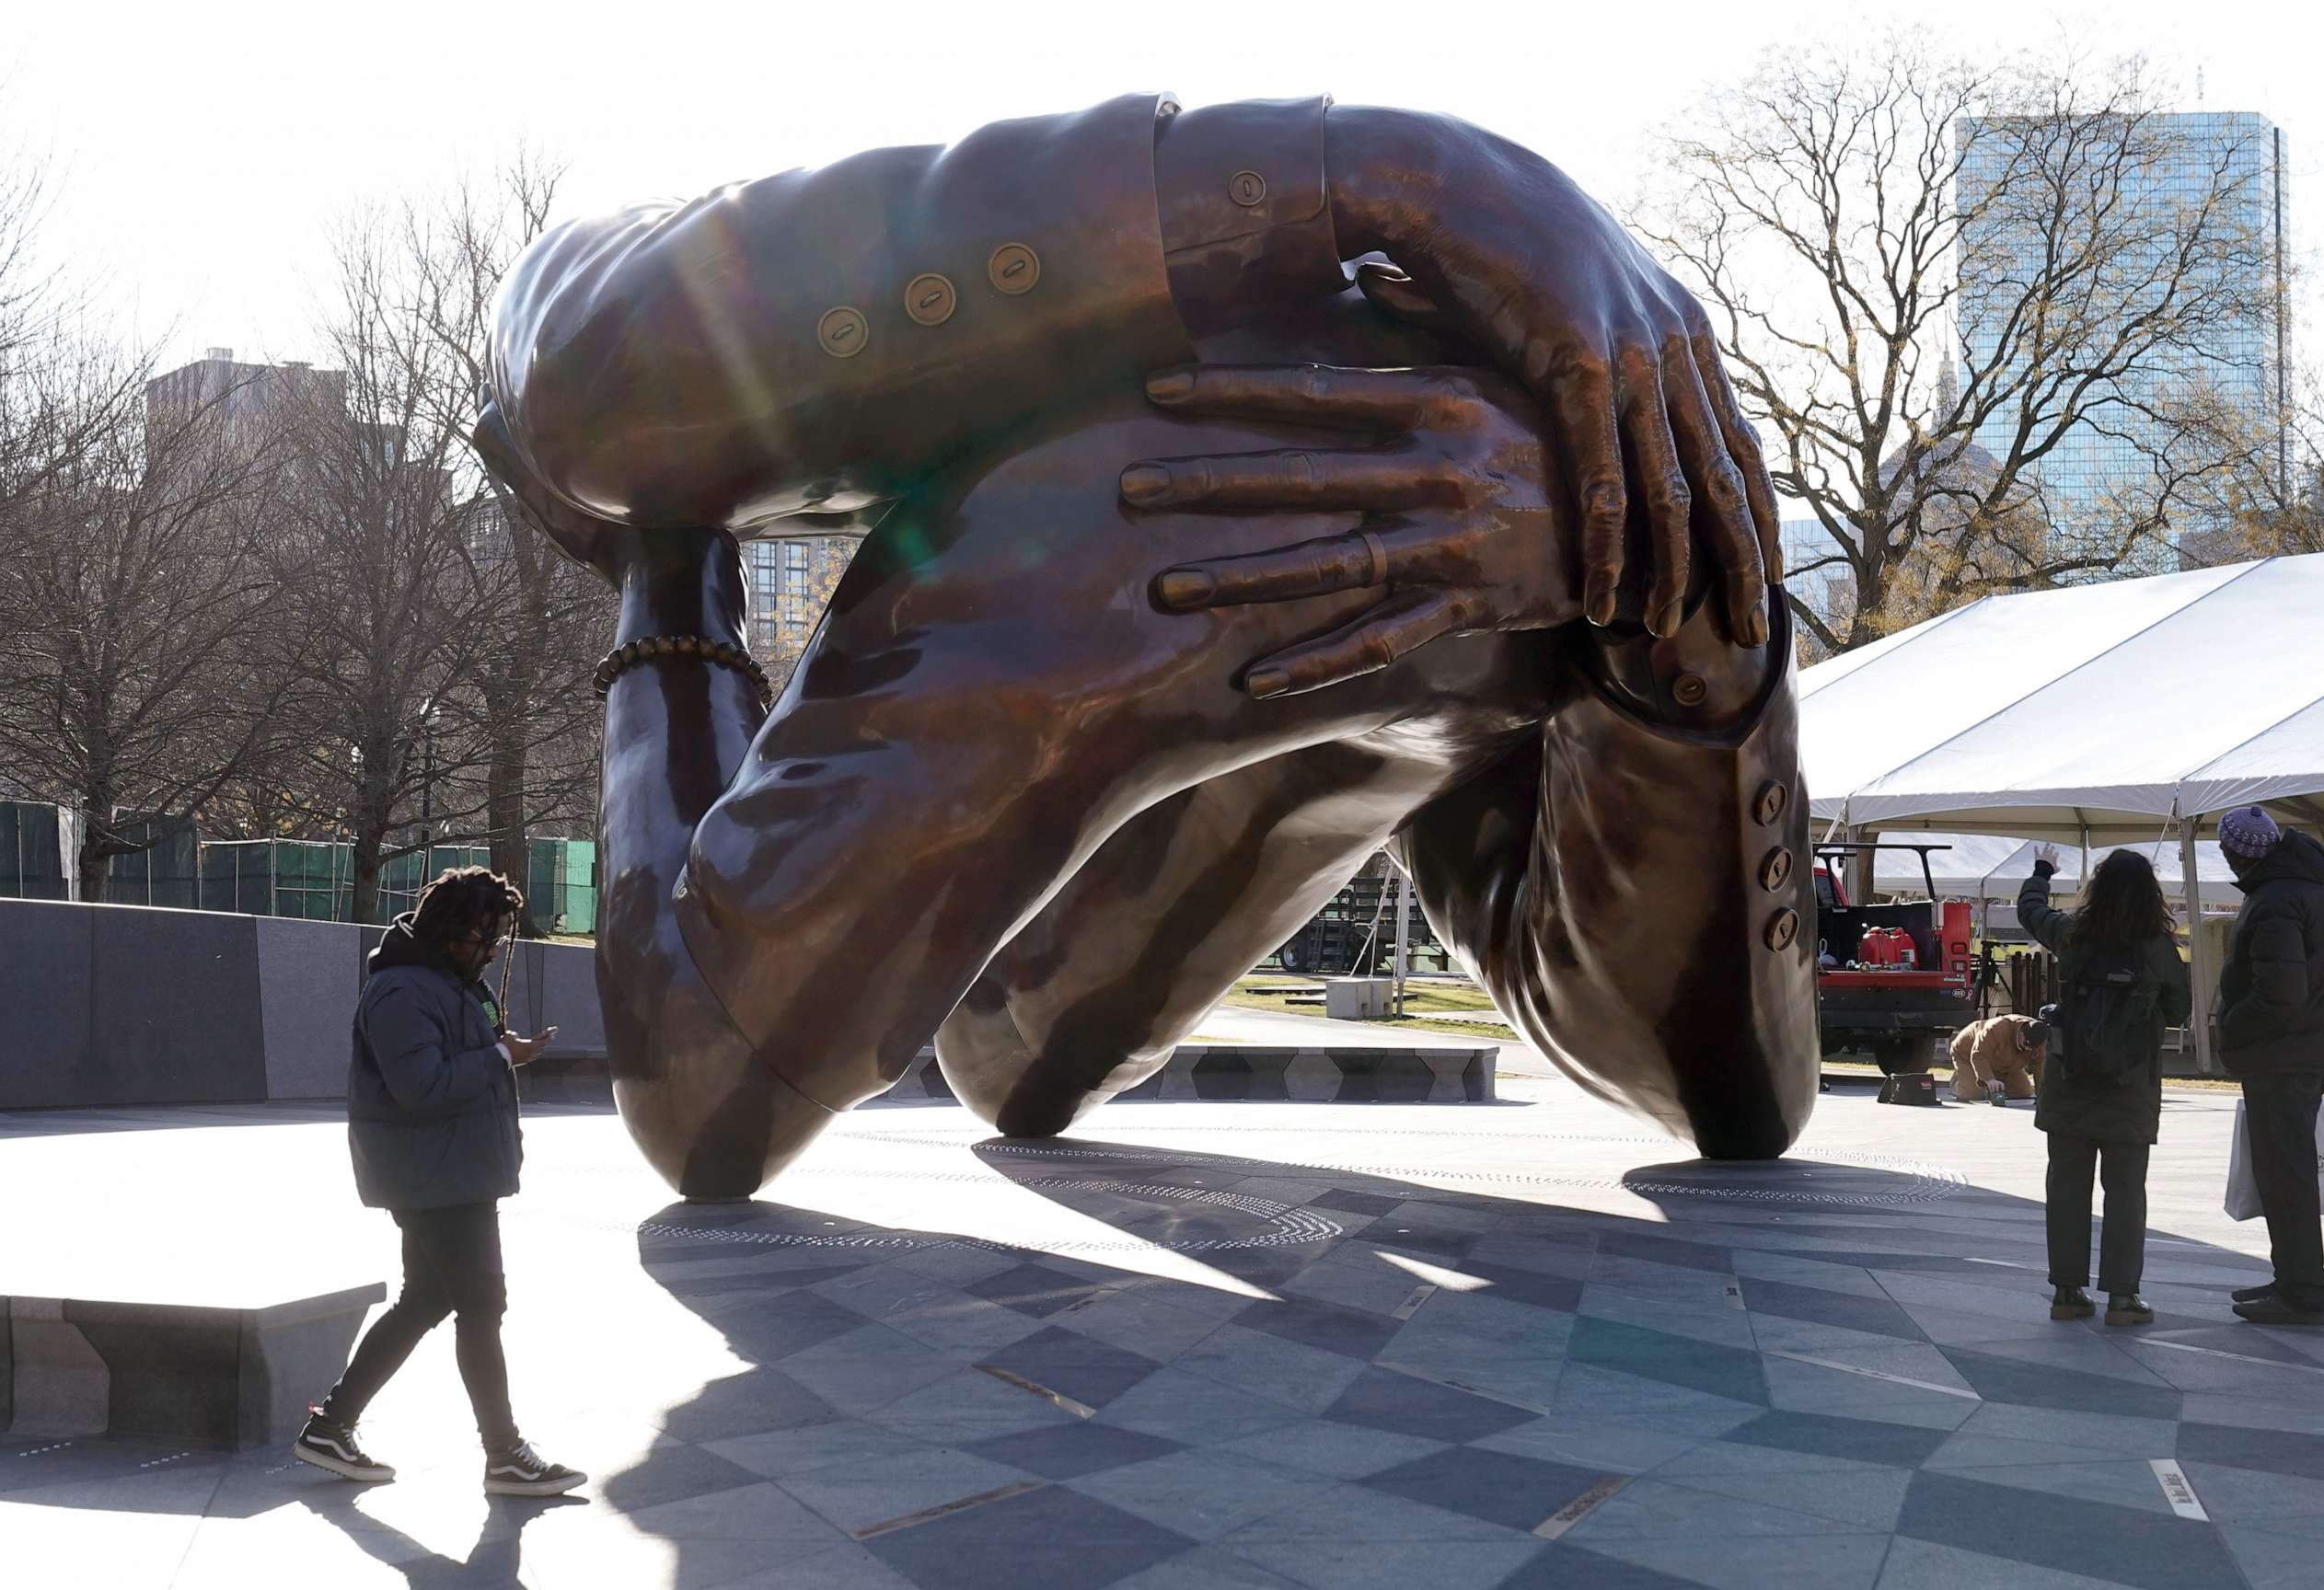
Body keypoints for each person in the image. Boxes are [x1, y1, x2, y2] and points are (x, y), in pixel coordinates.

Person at [476, 95, 1819, 1201]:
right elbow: (577, 378)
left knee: (999, 1054)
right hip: (1164, 526)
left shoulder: (1129, 541)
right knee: (995, 1050)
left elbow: (1725, 1089)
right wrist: (1383, 176)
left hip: (1251, 571)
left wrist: (1668, 584)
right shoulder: (1051, 497)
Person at [293, 867, 587, 1496]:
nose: (493, 948)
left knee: (426, 1299)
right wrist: (501, 1056)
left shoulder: (446, 985)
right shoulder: (402, 991)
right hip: (435, 1179)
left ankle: (331, 1425)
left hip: (451, 1173)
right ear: (454, 932)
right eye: (486, 935)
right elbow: (421, 1088)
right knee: (481, 1307)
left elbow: (450, 1065)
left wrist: (500, 1049)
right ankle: (504, 1453)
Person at [2018, 846, 2188, 1327]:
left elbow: (2029, 911)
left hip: (2070, 1078)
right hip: (2130, 1085)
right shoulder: (2157, 947)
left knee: (2067, 1186)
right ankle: (2123, 1298)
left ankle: (2067, 1292)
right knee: (2126, 1191)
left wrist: (2042, 871)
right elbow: (2178, 1012)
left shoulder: (2074, 934)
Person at [2214, 805, 2324, 1326]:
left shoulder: (2275, 899)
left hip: (2284, 1055)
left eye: (2225, 848)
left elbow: (2281, 993)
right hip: (2304, 1049)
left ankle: (2301, 1290)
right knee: (2286, 1171)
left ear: (2239, 852)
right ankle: (2295, 1279)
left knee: (2286, 1174)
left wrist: (2230, 1027)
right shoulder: (2306, 884)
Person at [1949, 1013, 2042, 1103]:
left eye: (2032, 1048)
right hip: (1967, 1054)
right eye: (2026, 1044)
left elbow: (2040, 1067)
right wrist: (1989, 1079)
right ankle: (1959, 1079)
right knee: (1972, 1094)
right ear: (2021, 1032)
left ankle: (1990, 1079)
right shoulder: (1995, 1028)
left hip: (2005, 1063)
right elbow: (1979, 1055)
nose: (2028, 1049)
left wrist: (2042, 1094)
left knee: (2023, 1092)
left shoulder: (2040, 1039)